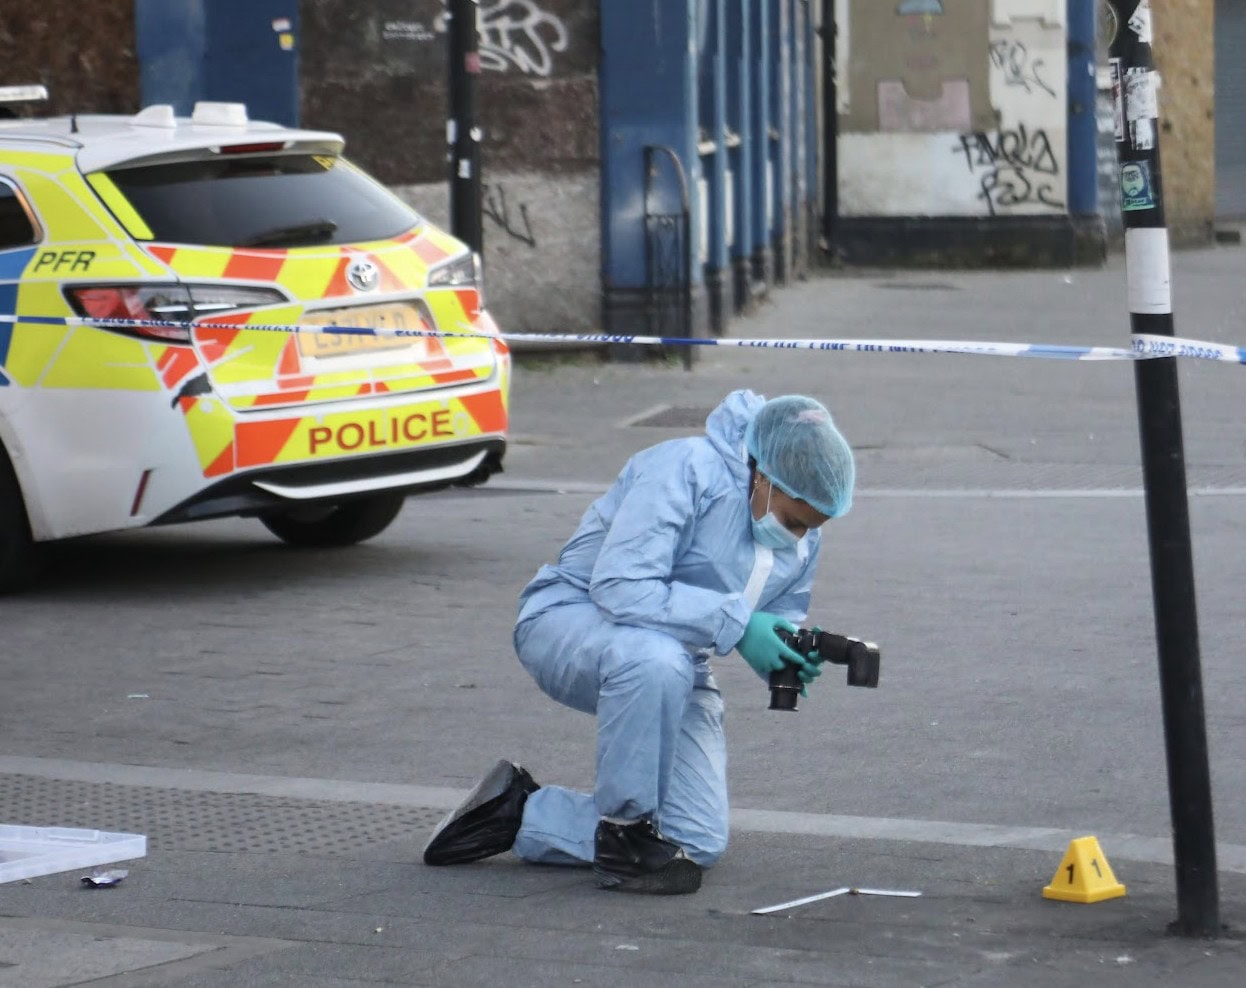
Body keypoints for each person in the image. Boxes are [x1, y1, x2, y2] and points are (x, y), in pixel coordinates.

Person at [422, 389, 855, 894]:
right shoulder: (685, 468)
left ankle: (515, 812)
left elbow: (774, 612)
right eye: (796, 520)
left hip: (671, 660)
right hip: (569, 620)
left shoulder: (801, 524)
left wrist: (786, 648)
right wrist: (739, 627)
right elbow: (621, 585)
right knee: (657, 661)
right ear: (765, 476)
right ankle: (624, 838)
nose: (799, 537)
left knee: (696, 838)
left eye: (812, 528)